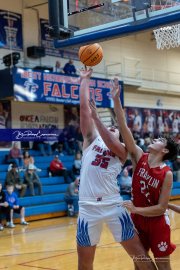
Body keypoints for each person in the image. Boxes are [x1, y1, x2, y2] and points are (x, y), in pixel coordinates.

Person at [77, 66, 156, 270]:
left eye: (115, 129)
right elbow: (84, 110)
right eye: (109, 126)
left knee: (138, 253)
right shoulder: (90, 141)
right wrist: (85, 80)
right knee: (85, 262)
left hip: (113, 205)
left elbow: (111, 142)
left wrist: (98, 119)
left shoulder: (120, 151)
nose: (112, 128)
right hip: (87, 207)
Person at [103, 77, 179, 270]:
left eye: (160, 140)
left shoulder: (167, 173)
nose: (155, 139)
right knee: (140, 265)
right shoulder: (138, 156)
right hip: (138, 220)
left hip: (156, 223)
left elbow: (161, 208)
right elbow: (125, 129)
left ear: (165, 151)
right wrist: (116, 100)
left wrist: (136, 209)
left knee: (163, 267)